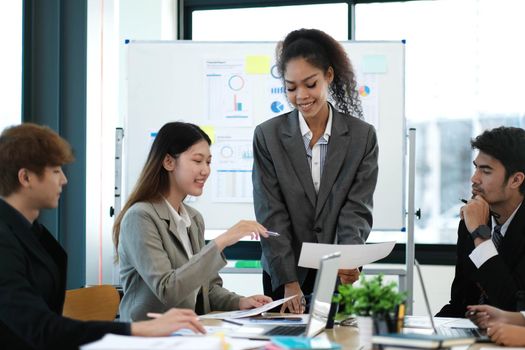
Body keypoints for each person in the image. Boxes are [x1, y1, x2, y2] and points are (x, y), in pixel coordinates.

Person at [0, 123, 206, 350]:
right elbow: (40, 328)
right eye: (56, 170)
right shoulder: (5, 240)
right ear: (26, 178)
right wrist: (137, 329)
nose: (64, 180)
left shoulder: (32, 234)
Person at [252, 28, 379, 314]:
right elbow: (271, 211)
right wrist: (288, 280)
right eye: (291, 87)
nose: (301, 96)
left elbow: (356, 208)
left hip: (337, 271)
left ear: (329, 76)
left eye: (310, 84)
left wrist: (349, 259)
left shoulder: (362, 137)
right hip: (283, 273)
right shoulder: (268, 136)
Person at [114, 122, 272, 321]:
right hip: (150, 337)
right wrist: (222, 241)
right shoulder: (140, 217)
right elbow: (168, 290)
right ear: (169, 162)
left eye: (208, 162)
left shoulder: (194, 219)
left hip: (189, 332)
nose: (206, 170)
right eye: (198, 161)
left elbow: (207, 289)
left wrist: (240, 302)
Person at [437, 126, 525, 317]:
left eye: (486, 171)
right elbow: (460, 301)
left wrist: (480, 235)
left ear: (516, 180)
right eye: (476, 167)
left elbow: (515, 308)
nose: (474, 178)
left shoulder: (475, 224)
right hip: (474, 333)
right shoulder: (470, 220)